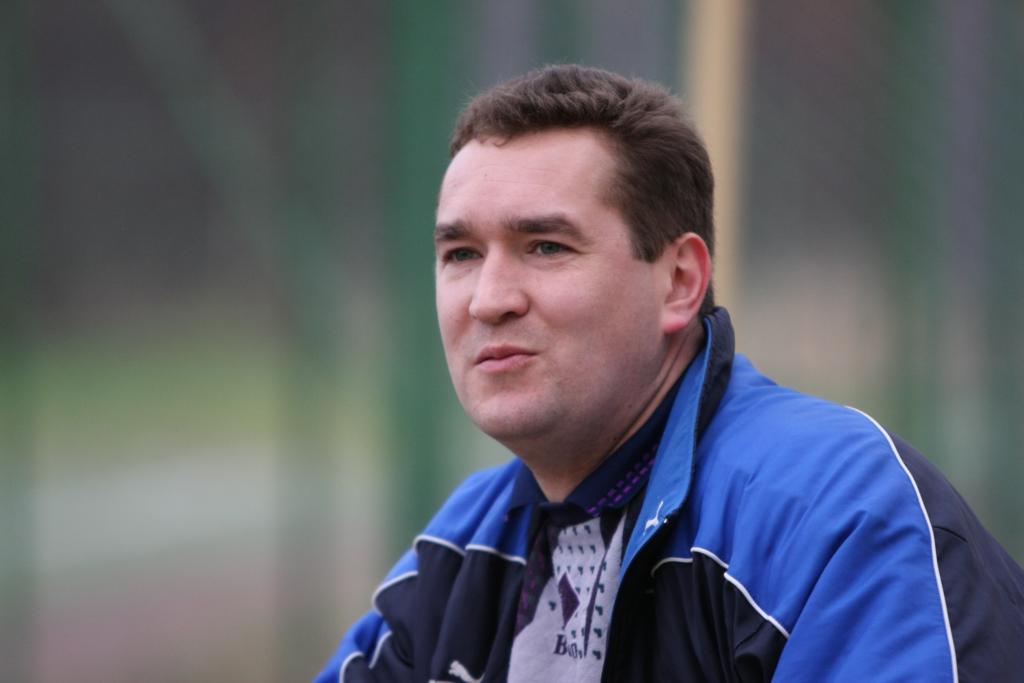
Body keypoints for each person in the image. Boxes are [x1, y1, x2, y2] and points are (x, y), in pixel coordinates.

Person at [315, 65, 1024, 682]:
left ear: (680, 281)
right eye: (462, 254)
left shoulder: (833, 515)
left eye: (546, 246)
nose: (488, 299)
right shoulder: (460, 547)